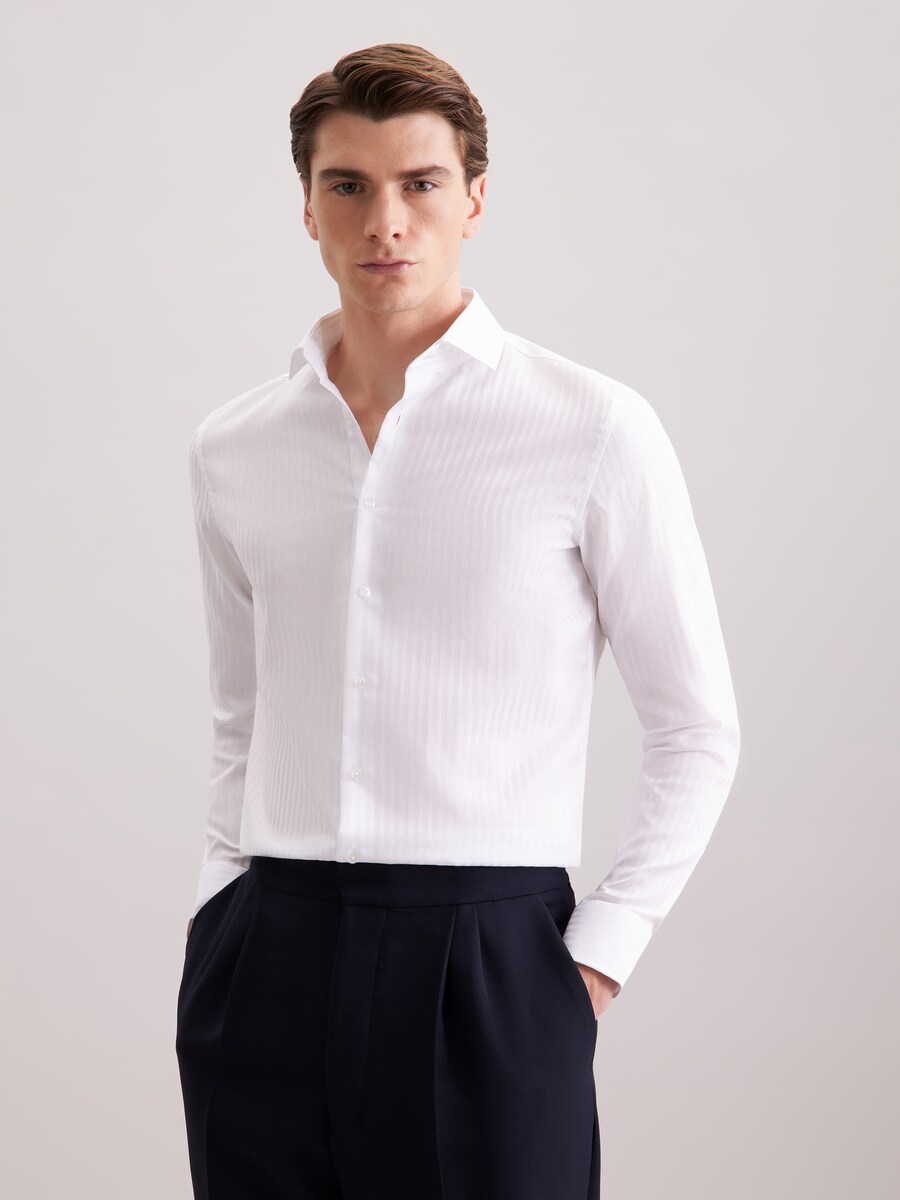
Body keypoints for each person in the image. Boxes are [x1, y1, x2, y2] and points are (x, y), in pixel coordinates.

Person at [175, 41, 740, 1200]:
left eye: (421, 183)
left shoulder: (590, 428)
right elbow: (242, 711)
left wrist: (596, 958)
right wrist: (220, 915)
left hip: (490, 956)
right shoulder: (235, 446)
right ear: (307, 206)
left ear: (475, 198)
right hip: (271, 950)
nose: (385, 220)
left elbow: (697, 728)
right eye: (348, 184)